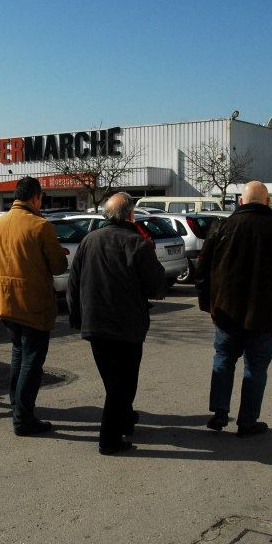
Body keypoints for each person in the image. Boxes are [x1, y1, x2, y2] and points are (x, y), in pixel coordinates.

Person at [195, 180, 272, 437]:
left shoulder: (221, 227)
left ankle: (219, 412)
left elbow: (202, 271)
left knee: (224, 360)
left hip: (226, 311)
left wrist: (207, 302)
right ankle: (247, 422)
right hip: (266, 314)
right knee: (256, 368)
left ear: (240, 201)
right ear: (267, 202)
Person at [67, 192, 166, 455]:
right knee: (121, 383)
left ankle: (123, 418)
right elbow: (156, 285)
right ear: (130, 215)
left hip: (96, 324)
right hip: (126, 326)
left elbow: (73, 283)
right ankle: (109, 439)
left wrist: (76, 316)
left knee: (113, 380)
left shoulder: (89, 240)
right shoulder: (137, 243)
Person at [0, 177, 68, 436]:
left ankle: (17, 405)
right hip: (32, 303)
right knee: (32, 360)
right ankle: (23, 417)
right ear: (36, 197)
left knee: (19, 355)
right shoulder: (39, 225)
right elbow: (58, 267)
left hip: (6, 301)